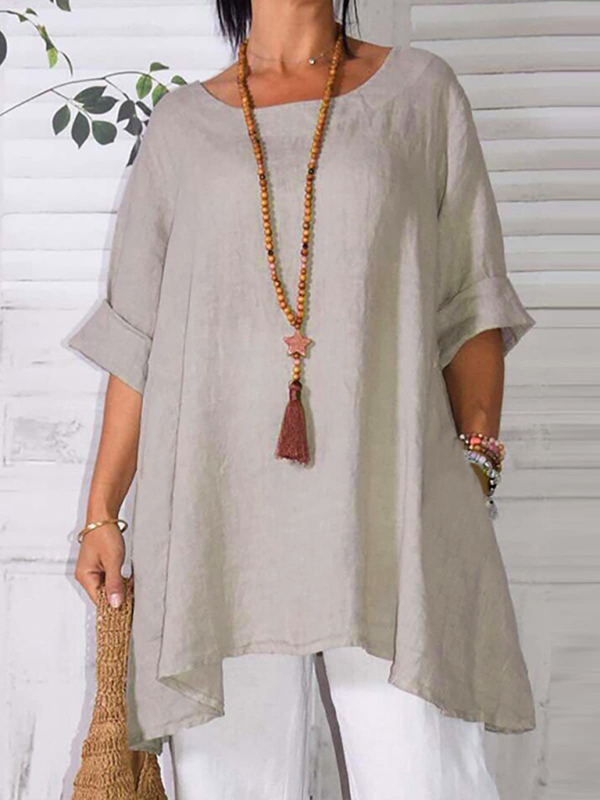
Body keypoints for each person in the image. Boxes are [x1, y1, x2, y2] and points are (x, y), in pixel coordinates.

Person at [66, 0, 537, 797]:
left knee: (428, 779)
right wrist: (102, 511)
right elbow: (137, 338)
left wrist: (474, 465)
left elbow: (471, 301)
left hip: (390, 513)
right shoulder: (182, 128)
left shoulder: (421, 95)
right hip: (218, 527)